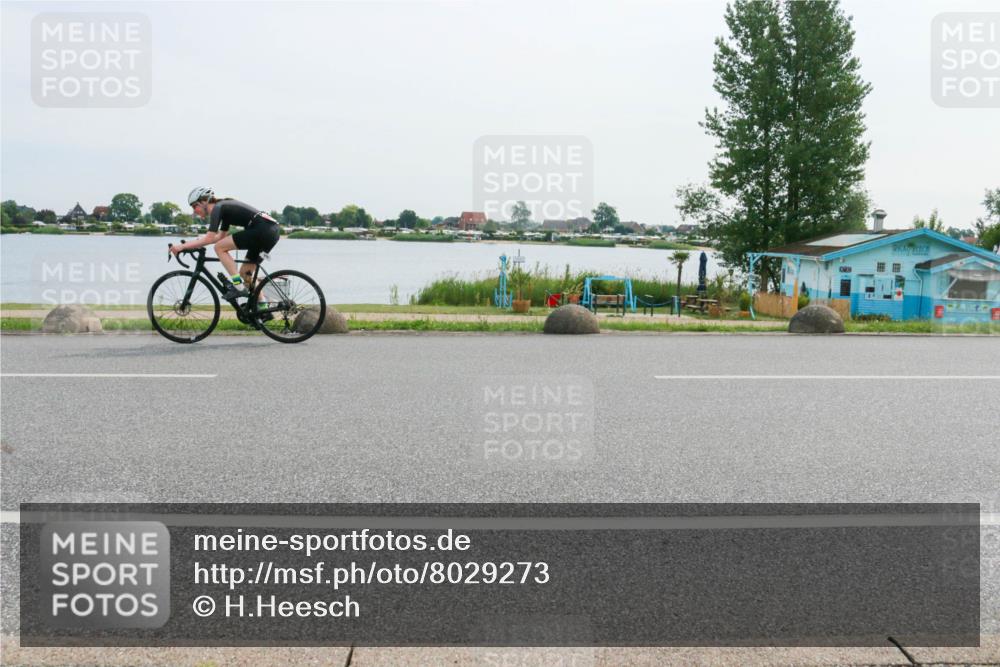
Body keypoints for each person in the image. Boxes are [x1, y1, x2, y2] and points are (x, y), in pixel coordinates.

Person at [170, 186, 281, 300]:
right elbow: (219, 237)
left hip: (262, 230)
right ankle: (263, 307)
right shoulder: (224, 208)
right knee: (245, 274)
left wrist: (181, 247)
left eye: (194, 206)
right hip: (272, 232)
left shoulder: (218, 208)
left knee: (219, 248)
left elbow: (210, 239)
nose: (194, 211)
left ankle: (238, 286)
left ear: (203, 202)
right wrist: (191, 244)